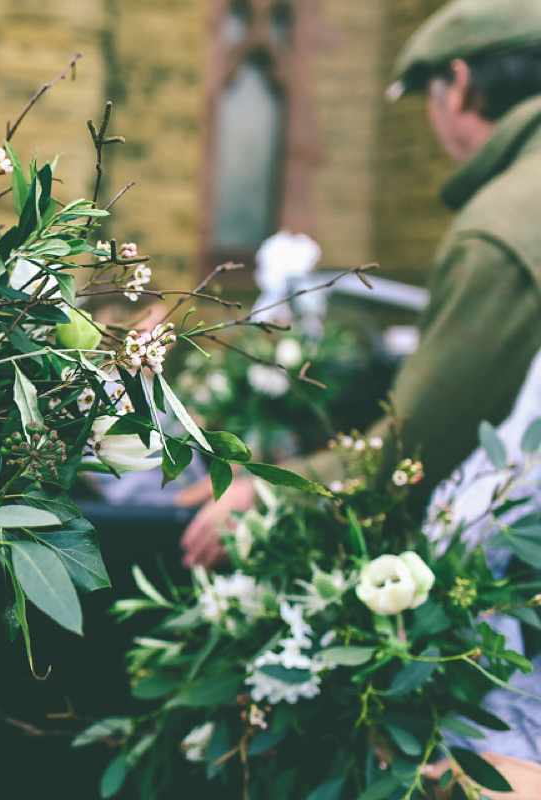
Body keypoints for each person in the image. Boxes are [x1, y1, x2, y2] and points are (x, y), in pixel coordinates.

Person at [180, 0, 541, 571]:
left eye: (428, 97)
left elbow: (413, 451)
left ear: (460, 85)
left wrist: (272, 494)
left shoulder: (501, 230)